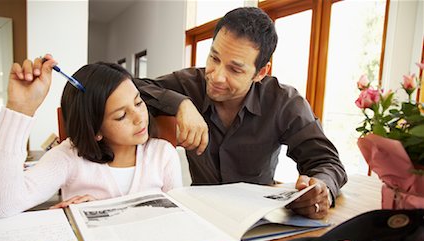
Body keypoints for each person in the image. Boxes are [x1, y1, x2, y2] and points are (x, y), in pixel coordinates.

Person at [135, 7, 347, 219]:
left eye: (235, 70)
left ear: (261, 72)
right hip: (199, 214)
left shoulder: (283, 102)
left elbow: (327, 162)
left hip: (257, 219)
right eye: (214, 58)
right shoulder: (188, 84)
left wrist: (322, 189)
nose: (217, 77)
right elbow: (127, 87)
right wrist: (180, 104)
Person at [0, 54, 182, 218]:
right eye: (121, 116)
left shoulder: (163, 154)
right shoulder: (69, 157)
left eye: (138, 103)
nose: (140, 118)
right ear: (95, 131)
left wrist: (105, 212)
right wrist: (20, 109)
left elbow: (178, 217)